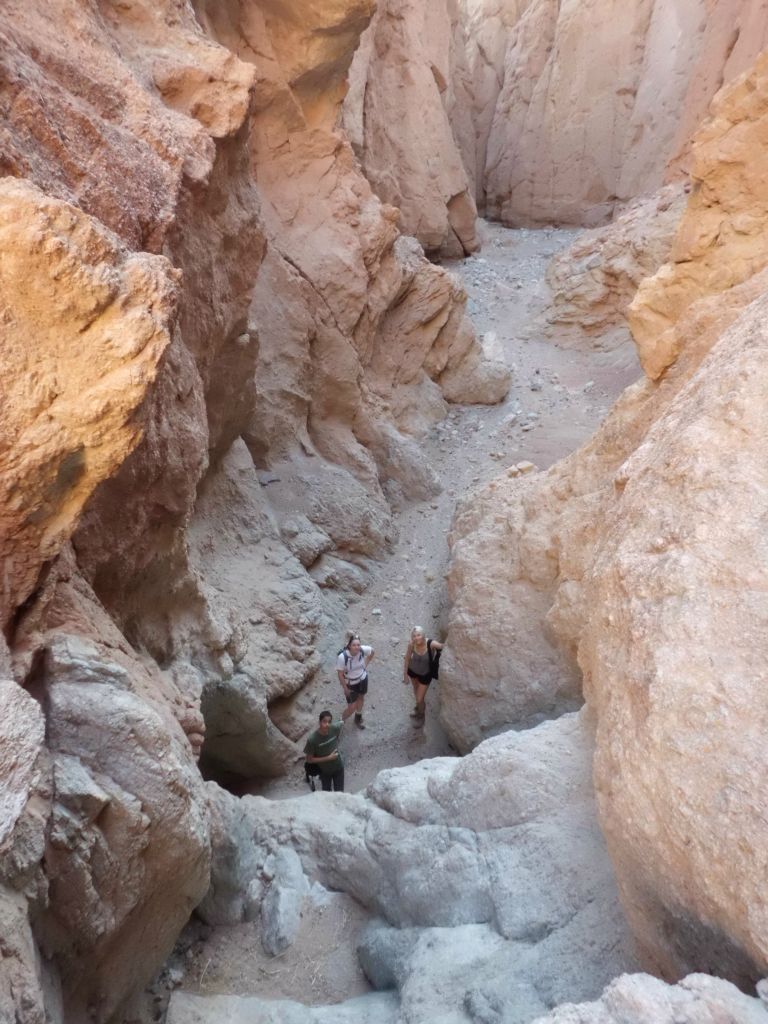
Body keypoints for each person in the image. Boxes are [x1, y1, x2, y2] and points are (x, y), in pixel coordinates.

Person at [403, 626, 443, 723]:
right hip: (413, 672)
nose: (416, 638)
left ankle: (421, 715)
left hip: (426, 674)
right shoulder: (412, 644)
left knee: (419, 698)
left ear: (423, 635)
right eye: (414, 636)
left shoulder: (431, 644)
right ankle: (418, 708)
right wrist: (405, 675)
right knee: (416, 690)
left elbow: (444, 646)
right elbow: (407, 658)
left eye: (418, 635)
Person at [337, 633, 374, 728]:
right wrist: (345, 688)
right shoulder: (342, 657)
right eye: (354, 645)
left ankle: (358, 717)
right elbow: (340, 674)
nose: (357, 647)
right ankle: (340, 721)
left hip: (362, 679)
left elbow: (372, 651)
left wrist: (365, 665)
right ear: (349, 645)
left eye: (358, 645)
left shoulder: (362, 650)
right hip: (351, 684)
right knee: (352, 707)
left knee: (361, 697)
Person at [304, 710, 345, 792]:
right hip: (325, 772)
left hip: (339, 768)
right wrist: (328, 758)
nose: (327, 725)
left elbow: (341, 723)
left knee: (340, 794)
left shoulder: (334, 728)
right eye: (324, 722)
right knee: (327, 795)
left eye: (329, 722)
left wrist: (337, 739)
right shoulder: (312, 740)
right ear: (319, 722)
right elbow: (309, 759)